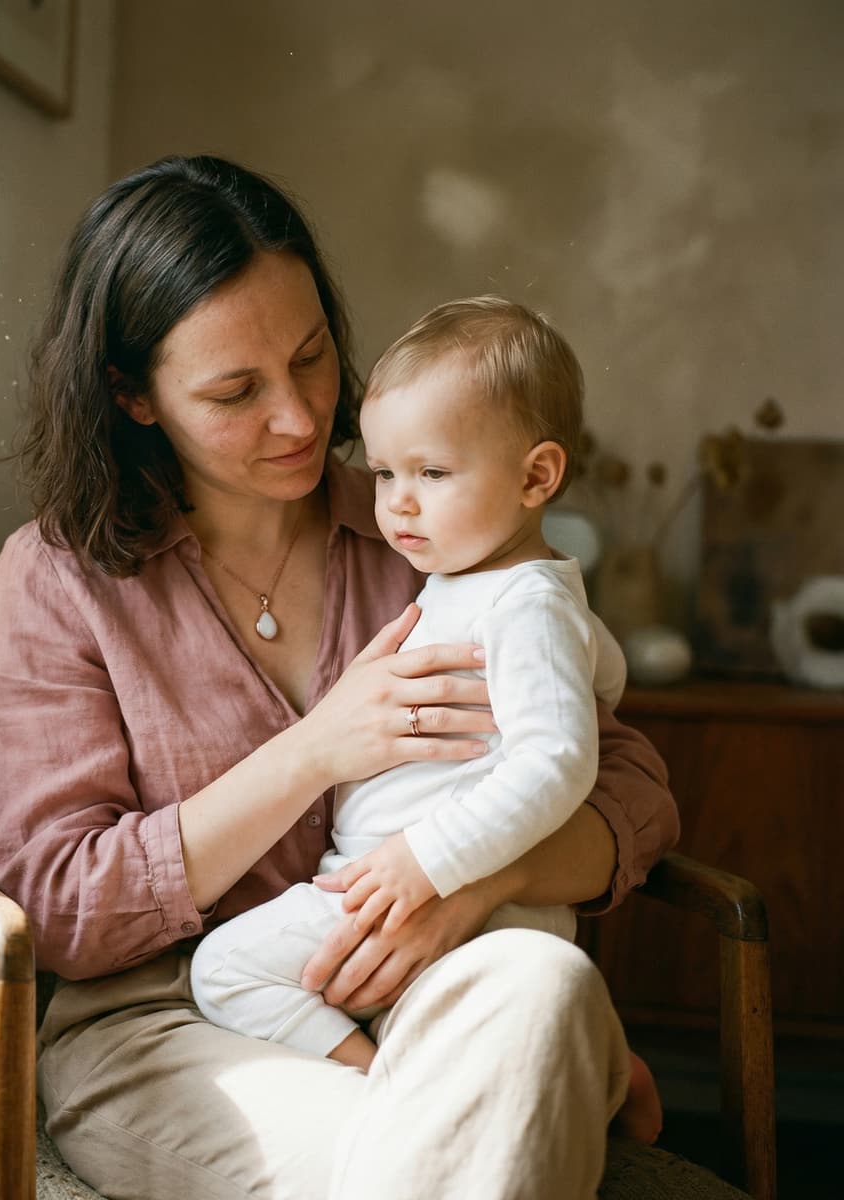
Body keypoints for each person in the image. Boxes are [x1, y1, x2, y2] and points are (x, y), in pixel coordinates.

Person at [0, 154, 679, 1200]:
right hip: (172, 1023)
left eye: (311, 358)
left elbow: (629, 790)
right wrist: (314, 751)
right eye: (235, 392)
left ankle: (529, 1076)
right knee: (417, 1157)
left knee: (544, 984)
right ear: (132, 396)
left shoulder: (428, 525)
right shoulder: (59, 579)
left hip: (435, 983)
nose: (304, 418)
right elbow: (70, 909)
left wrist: (465, 884)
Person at [188, 296, 662, 1142]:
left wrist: (428, 863)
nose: (399, 505)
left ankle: (377, 1087)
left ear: (536, 477)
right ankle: (591, 1077)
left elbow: (559, 763)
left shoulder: (521, 604)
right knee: (458, 1051)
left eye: (433, 474)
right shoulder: (493, 585)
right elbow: (603, 675)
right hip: (405, 889)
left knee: (224, 973)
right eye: (384, 474)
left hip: (408, 883)